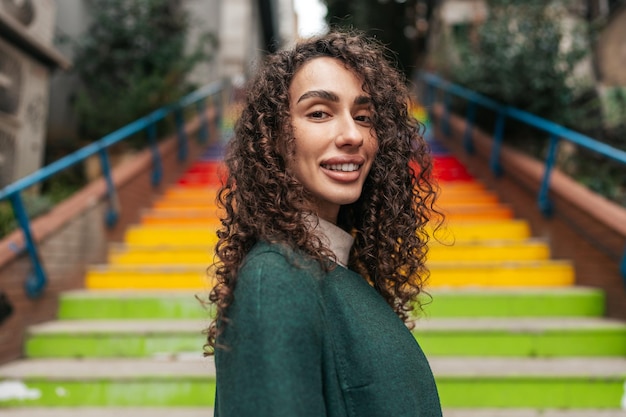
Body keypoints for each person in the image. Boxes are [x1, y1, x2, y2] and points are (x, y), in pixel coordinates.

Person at [205, 29, 443, 417]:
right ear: (274, 137)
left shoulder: (334, 270)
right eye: (319, 113)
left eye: (364, 116)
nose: (352, 135)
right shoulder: (278, 278)